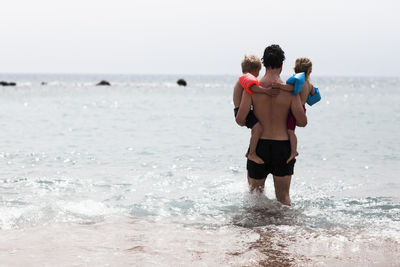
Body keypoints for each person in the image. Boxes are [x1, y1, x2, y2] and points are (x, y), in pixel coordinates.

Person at [235, 45, 307, 206]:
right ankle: (285, 231)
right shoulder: (290, 91)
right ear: (281, 65)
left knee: (255, 199)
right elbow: (302, 122)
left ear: (264, 64)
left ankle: (257, 231)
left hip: (259, 146)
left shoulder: (252, 89)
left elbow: (240, 120)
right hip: (283, 148)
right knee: (283, 198)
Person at [233, 55, 280, 164]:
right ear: (255, 70)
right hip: (241, 111)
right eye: (259, 71)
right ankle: (252, 153)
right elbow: (252, 87)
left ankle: (250, 151)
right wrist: (266, 91)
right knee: (258, 129)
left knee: (255, 130)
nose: (259, 74)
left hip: (242, 110)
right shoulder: (246, 77)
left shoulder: (244, 78)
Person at [272, 57, 317, 163]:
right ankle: (293, 149)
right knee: (291, 130)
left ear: (295, 69)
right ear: (309, 71)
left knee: (290, 131)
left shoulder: (298, 82)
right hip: (303, 108)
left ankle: (294, 151)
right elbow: (314, 94)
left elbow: (291, 88)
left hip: (295, 109)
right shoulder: (309, 84)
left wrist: (280, 86)